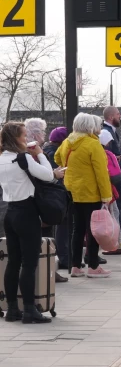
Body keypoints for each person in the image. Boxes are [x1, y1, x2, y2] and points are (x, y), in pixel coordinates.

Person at [0, 122, 55, 323]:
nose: (26, 139)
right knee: (29, 263)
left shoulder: (1, 159)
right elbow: (48, 175)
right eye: (23, 136)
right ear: (16, 138)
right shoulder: (22, 158)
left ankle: (13, 309)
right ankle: (30, 309)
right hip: (27, 212)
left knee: (13, 262)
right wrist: (40, 154)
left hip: (10, 212)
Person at [55, 113, 113, 278]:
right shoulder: (93, 144)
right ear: (90, 126)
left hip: (72, 191)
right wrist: (106, 196)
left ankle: (75, 266)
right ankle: (93, 266)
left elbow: (57, 157)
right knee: (94, 230)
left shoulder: (67, 142)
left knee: (78, 229)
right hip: (90, 193)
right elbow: (101, 173)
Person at [26, 118, 68, 283]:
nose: (44, 134)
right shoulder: (34, 153)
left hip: (36, 199)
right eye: (42, 131)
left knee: (45, 236)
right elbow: (41, 175)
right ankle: (47, 270)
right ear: (36, 134)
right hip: (39, 200)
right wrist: (54, 174)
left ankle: (48, 269)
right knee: (45, 235)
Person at [102, 106, 121, 249]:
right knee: (117, 205)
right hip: (113, 176)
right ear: (111, 116)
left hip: (115, 174)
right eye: (118, 115)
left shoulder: (111, 131)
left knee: (118, 205)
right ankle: (120, 236)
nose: (120, 117)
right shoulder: (106, 132)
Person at [43, 127, 70, 273]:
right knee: (62, 226)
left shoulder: (46, 150)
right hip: (56, 195)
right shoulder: (53, 153)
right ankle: (64, 257)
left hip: (53, 195)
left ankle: (62, 257)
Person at [98, 130, 121, 256]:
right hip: (112, 188)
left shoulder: (100, 154)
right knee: (114, 215)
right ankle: (116, 243)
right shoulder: (109, 153)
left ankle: (114, 245)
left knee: (109, 217)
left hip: (104, 190)